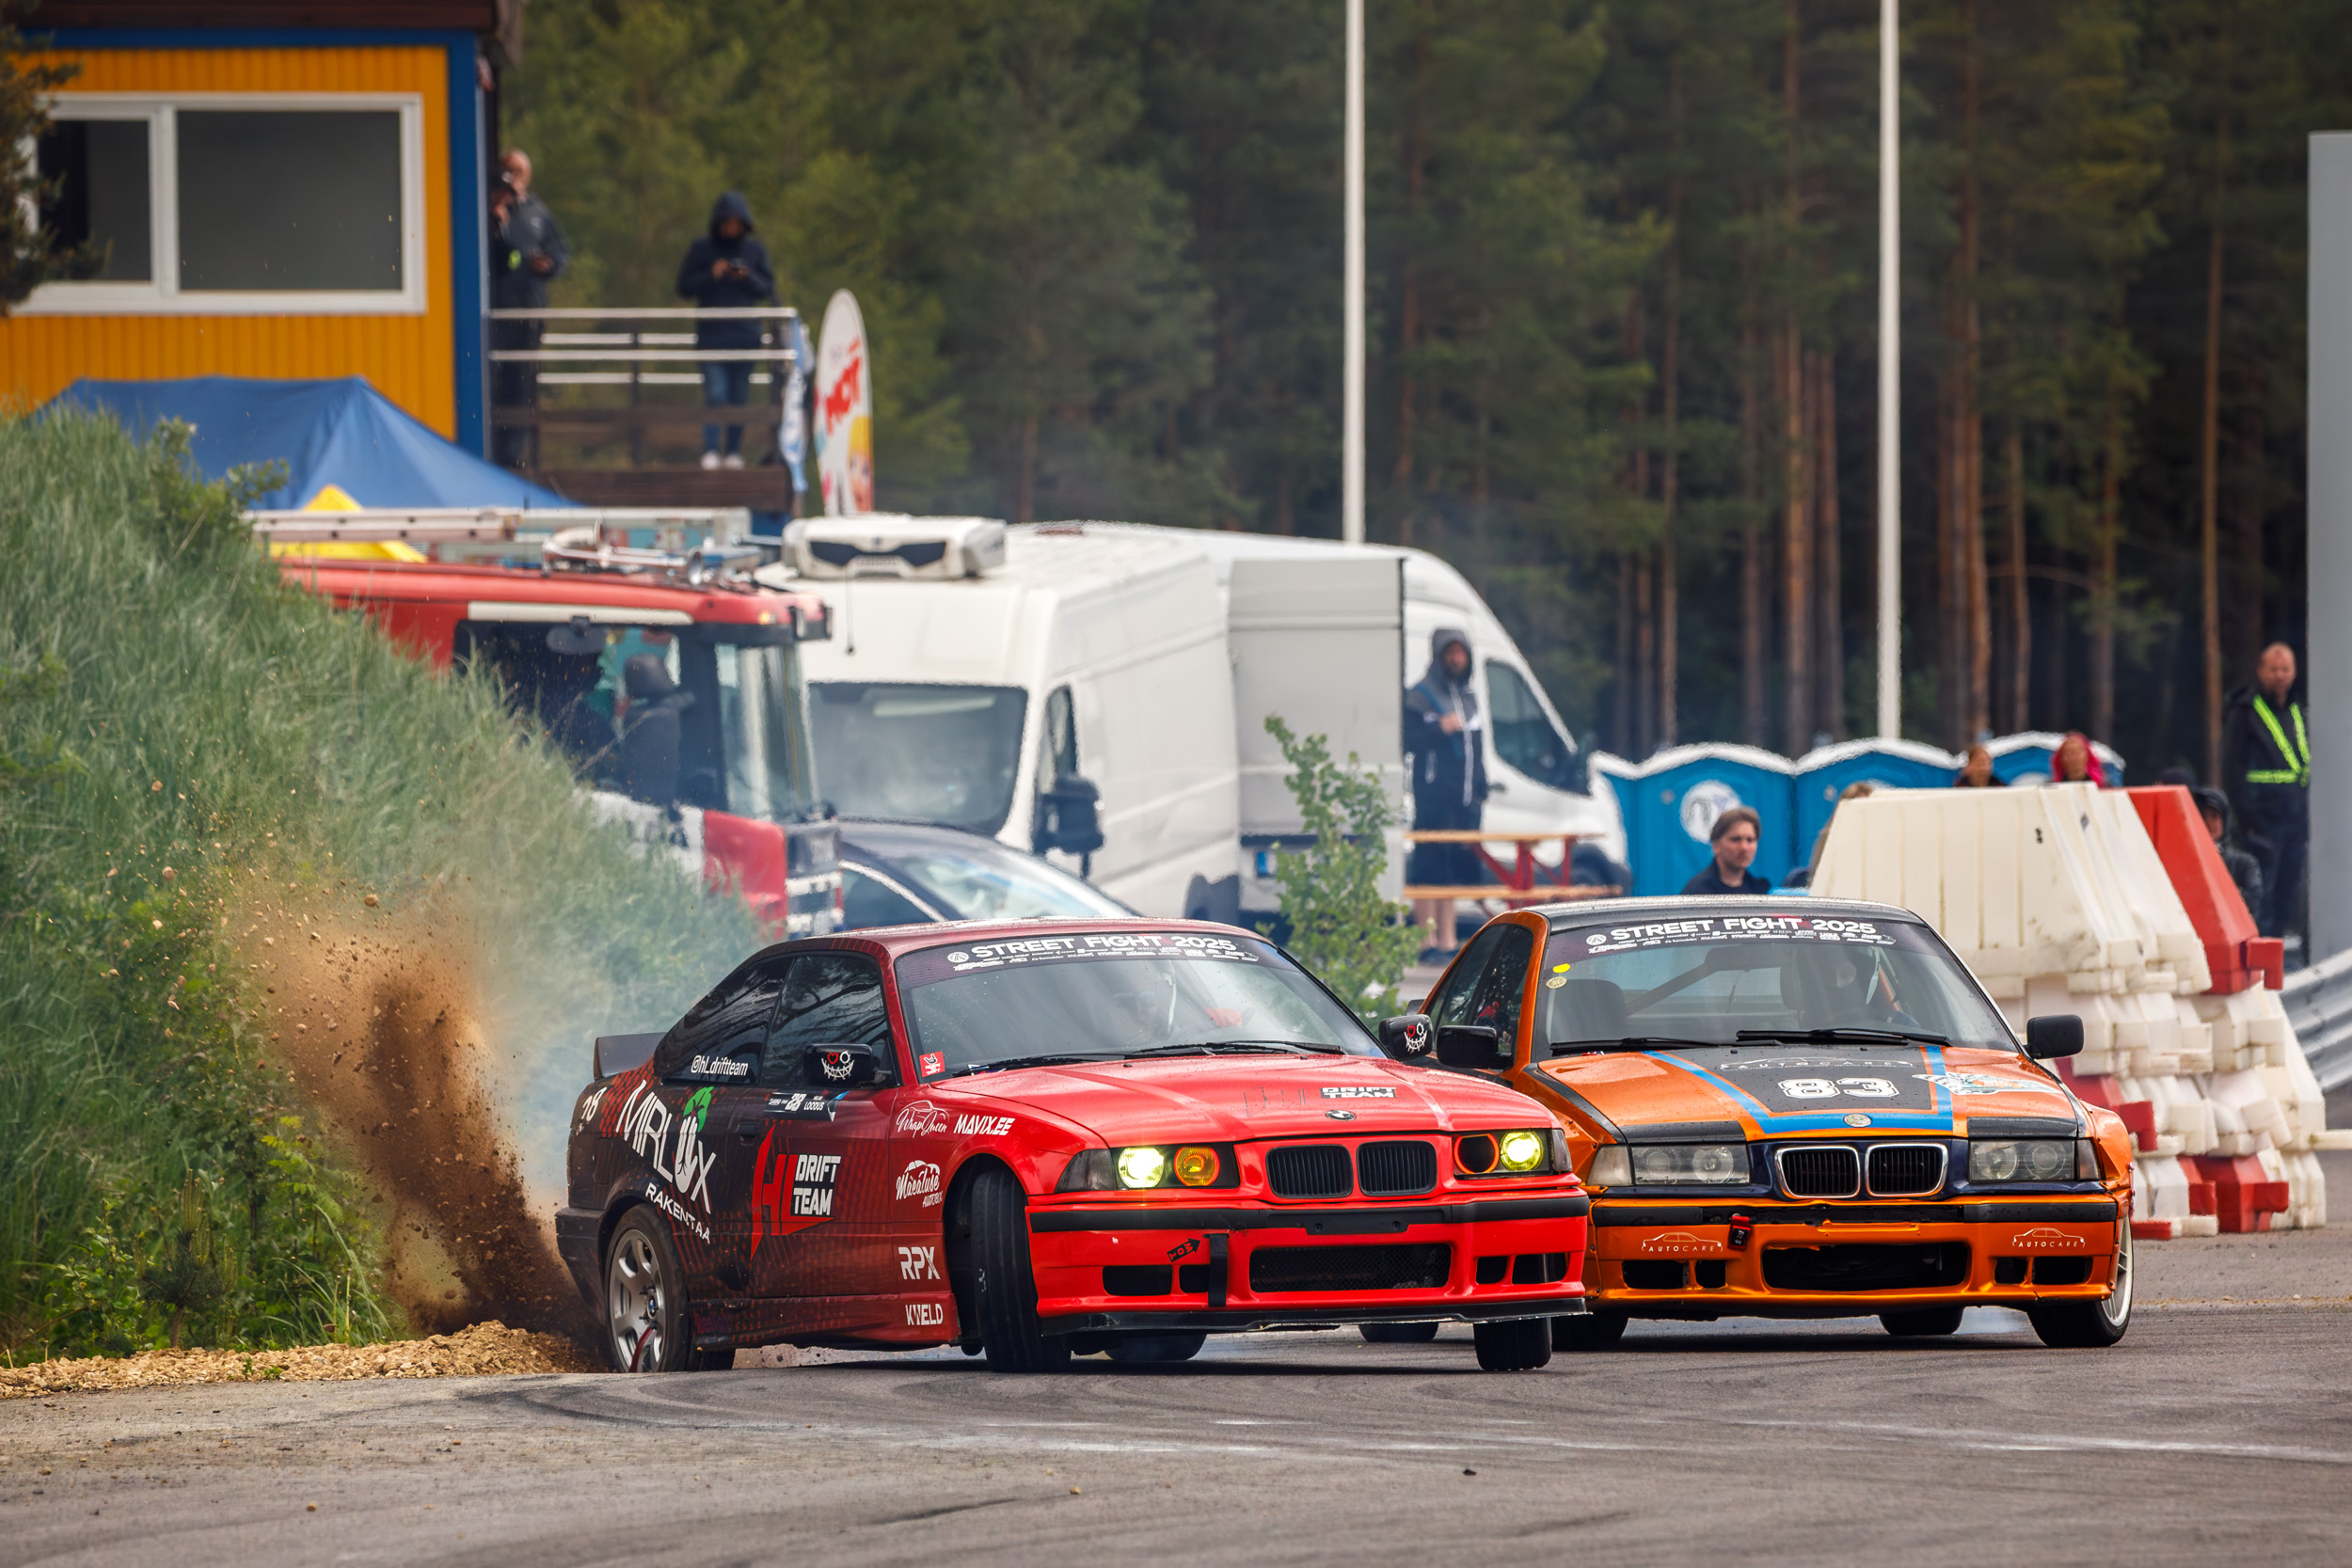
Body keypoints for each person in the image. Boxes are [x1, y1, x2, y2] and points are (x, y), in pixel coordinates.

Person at [1404, 627, 1488, 961]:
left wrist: (1480, 788)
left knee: (1451, 868)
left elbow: (1476, 751)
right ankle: (1426, 941)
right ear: (1439, 656)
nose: (1456, 659)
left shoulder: (1469, 699)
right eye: (1451, 653)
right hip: (1432, 797)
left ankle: (1448, 940)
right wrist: (1439, 728)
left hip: (1463, 800)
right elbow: (1408, 741)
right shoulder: (1420, 697)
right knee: (1429, 866)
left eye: (1461, 653)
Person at [675, 192, 776, 470]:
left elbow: (766, 288)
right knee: (716, 394)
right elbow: (684, 287)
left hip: (745, 337)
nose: (731, 228)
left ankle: (733, 451)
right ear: (718, 223)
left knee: (738, 397)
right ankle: (710, 450)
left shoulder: (754, 250)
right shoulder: (702, 249)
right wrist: (712, 274)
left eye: (736, 223)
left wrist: (746, 276)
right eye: (727, 223)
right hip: (712, 337)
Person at [2222, 641, 2310, 939]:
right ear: (2261, 671)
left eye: (2285, 669)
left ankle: (2279, 951)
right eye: (2274, 670)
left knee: (2288, 893)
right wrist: (2247, 817)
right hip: (2261, 821)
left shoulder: (2299, 709)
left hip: (2296, 820)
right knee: (2262, 895)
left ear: (2294, 672)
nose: (2280, 676)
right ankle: (2260, 955)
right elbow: (2231, 766)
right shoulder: (2245, 710)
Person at [488, 150, 568, 471]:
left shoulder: (538, 212)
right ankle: (489, 449)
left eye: (519, 171)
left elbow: (560, 252)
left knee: (521, 384)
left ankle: (513, 454)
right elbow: (500, 260)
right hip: (496, 312)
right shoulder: (489, 210)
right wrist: (497, 220)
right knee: (492, 380)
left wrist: (548, 265)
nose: (514, 177)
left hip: (529, 312)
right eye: (508, 171)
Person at [2193, 785, 2265, 922]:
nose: (2208, 823)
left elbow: (2253, 899)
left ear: (2224, 820)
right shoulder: (2187, 863)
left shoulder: (2244, 863)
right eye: (2202, 816)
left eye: (2214, 816)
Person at [1681, 806, 1771, 895]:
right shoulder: (1697, 891)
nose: (1744, 847)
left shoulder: (1761, 890)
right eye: (1735, 839)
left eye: (1750, 840)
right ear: (1716, 845)